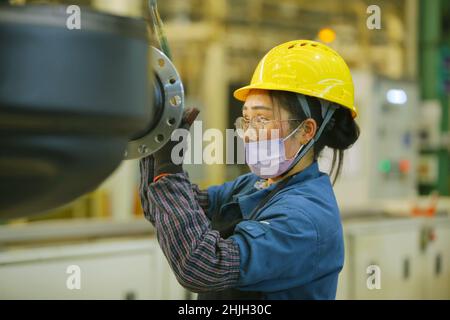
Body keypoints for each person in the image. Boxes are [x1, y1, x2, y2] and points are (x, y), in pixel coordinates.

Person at [139, 40, 360, 299]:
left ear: (306, 131)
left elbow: (204, 266)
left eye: (262, 119)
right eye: (247, 119)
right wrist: (155, 139)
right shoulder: (253, 185)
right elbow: (165, 211)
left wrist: (169, 168)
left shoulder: (304, 220)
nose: (248, 134)